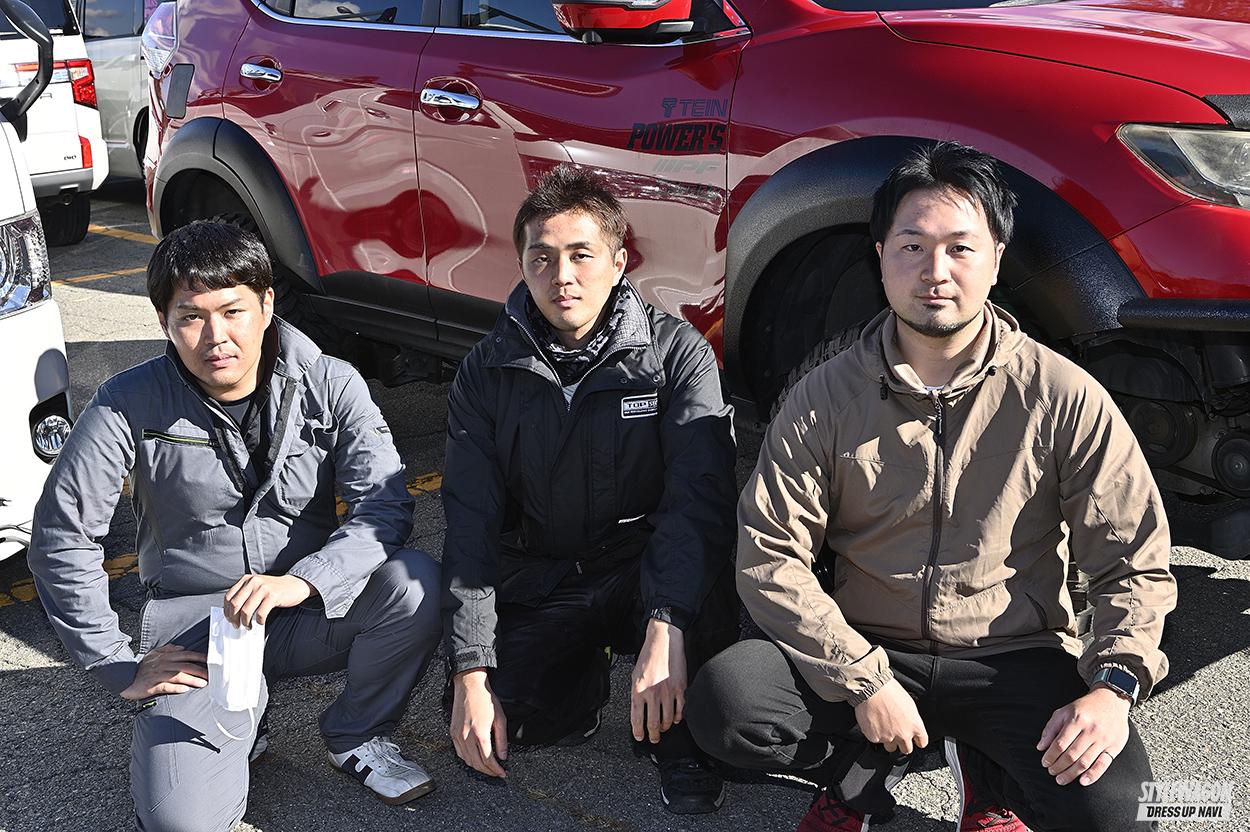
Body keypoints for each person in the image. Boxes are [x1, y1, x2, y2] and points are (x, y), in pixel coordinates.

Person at [686, 142, 1177, 832]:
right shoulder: (824, 397)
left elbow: (1133, 559)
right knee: (727, 703)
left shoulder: (1062, 394)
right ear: (880, 255)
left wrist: (1113, 687)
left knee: (1125, 813)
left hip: (1013, 656)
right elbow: (769, 555)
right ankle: (859, 774)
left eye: (959, 248)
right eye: (912, 246)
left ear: (997, 259)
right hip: (870, 645)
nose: (935, 272)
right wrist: (863, 679)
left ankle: (986, 770)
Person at [27, 221, 442, 831]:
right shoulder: (126, 401)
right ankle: (239, 717)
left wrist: (306, 580)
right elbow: (62, 536)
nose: (216, 337)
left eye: (232, 311)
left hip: (307, 607)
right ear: (164, 321)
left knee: (415, 584)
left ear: (267, 305)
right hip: (200, 631)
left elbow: (382, 508)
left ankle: (357, 733)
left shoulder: (331, 383)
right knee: (182, 822)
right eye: (191, 316)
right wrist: (114, 661)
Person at [440, 165, 740, 814]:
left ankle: (682, 737)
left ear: (619, 261)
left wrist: (668, 621)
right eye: (542, 258)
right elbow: (468, 522)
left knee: (709, 590)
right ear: (521, 266)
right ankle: (581, 684)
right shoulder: (485, 372)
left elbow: (699, 500)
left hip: (644, 567)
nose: (562, 276)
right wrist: (469, 668)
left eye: (581, 255)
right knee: (492, 712)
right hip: (547, 574)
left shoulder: (677, 355)